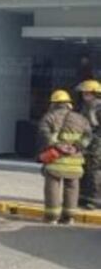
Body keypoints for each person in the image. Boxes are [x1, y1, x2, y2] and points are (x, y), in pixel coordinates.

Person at [38, 89, 92, 224]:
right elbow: (88, 136)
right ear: (69, 104)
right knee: (72, 188)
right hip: (74, 161)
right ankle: (69, 217)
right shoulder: (80, 118)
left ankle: (52, 217)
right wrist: (77, 147)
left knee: (53, 187)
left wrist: (57, 145)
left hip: (55, 159)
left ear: (53, 104)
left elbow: (43, 134)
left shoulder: (48, 118)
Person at [75, 79, 101, 209]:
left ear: (94, 93)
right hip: (87, 143)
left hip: (96, 144)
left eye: (87, 93)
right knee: (84, 170)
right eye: (84, 93)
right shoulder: (86, 106)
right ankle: (83, 197)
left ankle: (96, 199)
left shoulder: (98, 106)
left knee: (95, 171)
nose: (84, 95)